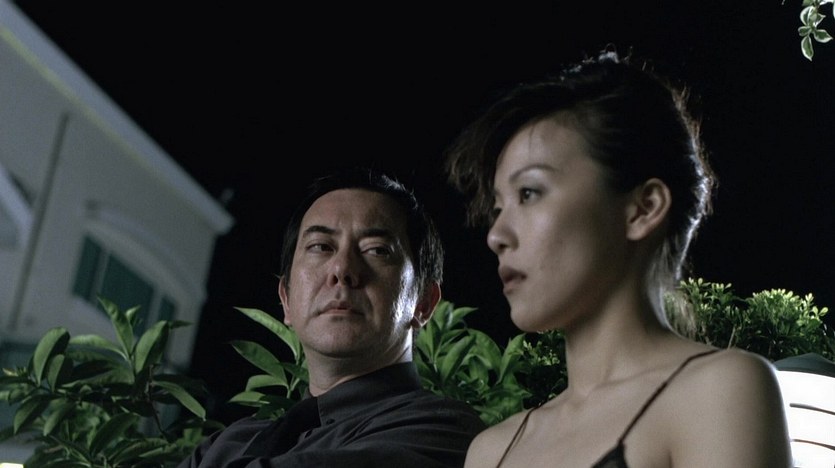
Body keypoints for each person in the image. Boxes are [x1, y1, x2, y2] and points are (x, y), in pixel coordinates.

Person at [444, 48, 792, 467]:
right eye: (498, 209)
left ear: (643, 208)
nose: (496, 236)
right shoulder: (491, 451)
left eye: (529, 193)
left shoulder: (717, 391)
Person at [178, 167, 486, 467]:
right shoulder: (222, 447)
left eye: (377, 250)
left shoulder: (446, 433)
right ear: (286, 299)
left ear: (423, 303)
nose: (342, 269)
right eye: (321, 247)